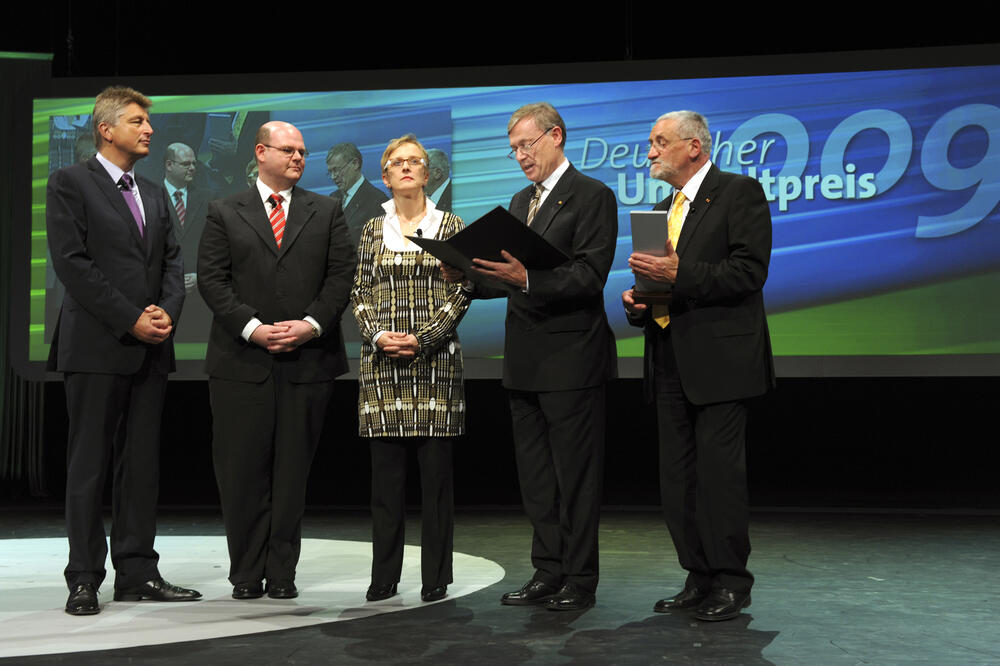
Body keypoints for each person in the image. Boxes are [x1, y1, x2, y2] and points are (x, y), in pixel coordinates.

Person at [442, 102, 617, 611]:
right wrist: (468, 276)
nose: (520, 156)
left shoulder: (592, 196)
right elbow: (506, 275)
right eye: (513, 148)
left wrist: (527, 279)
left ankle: (580, 579)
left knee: (575, 477)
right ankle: (548, 570)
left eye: (526, 145)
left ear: (554, 136)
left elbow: (589, 276)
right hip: (523, 359)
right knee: (537, 476)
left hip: (572, 358)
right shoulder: (521, 201)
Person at [46, 86, 201, 615]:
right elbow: (73, 264)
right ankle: (84, 577)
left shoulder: (155, 192)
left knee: (141, 467)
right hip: (95, 346)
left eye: (147, 121)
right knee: (88, 465)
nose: (149, 129)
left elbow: (174, 267)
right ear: (106, 129)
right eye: (137, 121)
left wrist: (164, 314)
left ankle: (137, 572)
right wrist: (130, 317)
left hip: (150, 348)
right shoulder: (70, 182)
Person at [623, 110, 775, 622]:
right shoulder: (660, 209)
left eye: (658, 142)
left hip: (722, 360)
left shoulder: (739, 192)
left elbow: (749, 271)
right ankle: (698, 575)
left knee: (718, 478)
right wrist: (640, 300)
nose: (649, 153)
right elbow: (663, 284)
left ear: (694, 146)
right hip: (667, 357)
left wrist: (679, 271)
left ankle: (732, 581)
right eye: (650, 143)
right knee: (677, 480)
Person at [198, 121, 355, 600]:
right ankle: (246, 573)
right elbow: (211, 279)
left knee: (292, 474)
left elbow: (341, 277)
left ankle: (282, 573)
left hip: (308, 364)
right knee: (242, 474)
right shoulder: (224, 211)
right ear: (261, 152)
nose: (299, 158)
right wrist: (253, 327)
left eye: (303, 152)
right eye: (289, 150)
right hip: (240, 363)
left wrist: (309, 325)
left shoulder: (326, 211)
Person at [352, 135, 470, 603]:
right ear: (385, 176)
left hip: (436, 365)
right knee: (386, 484)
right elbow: (358, 293)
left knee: (437, 483)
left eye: (414, 162)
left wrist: (423, 339)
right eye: (396, 163)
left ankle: (436, 577)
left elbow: (462, 291)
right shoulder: (369, 229)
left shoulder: (451, 224)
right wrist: (381, 336)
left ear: (427, 173)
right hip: (382, 367)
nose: (405, 168)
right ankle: (384, 577)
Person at [163, 142, 212, 341]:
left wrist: (200, 276)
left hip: (200, 294)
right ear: (169, 165)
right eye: (185, 164)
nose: (192, 168)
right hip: (163, 295)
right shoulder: (150, 197)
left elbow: (213, 245)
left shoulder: (207, 198)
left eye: (194, 163)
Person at [326, 142, 390, 247]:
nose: (333, 176)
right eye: (330, 172)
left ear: (355, 164)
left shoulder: (378, 201)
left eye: (337, 170)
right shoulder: (333, 198)